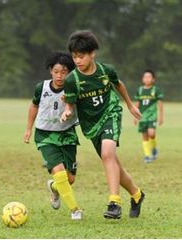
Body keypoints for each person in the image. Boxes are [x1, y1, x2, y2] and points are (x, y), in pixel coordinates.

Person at [61, 30, 145, 219]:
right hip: (91, 124)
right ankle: (137, 195)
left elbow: (119, 84)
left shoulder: (106, 70)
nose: (77, 61)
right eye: (74, 57)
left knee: (108, 154)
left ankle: (114, 202)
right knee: (113, 163)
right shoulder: (72, 80)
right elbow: (70, 101)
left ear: (92, 54)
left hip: (110, 113)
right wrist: (67, 110)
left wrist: (130, 105)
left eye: (81, 56)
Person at [24, 52, 82, 220]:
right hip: (45, 134)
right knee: (59, 172)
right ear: (50, 71)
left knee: (69, 179)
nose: (59, 75)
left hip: (68, 134)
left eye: (64, 72)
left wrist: (69, 110)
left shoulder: (74, 88)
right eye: (56, 71)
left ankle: (55, 188)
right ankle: (75, 209)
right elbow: (33, 107)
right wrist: (28, 129)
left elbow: (79, 108)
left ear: (69, 73)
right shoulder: (40, 87)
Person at [134, 69, 164, 163]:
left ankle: (154, 148)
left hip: (152, 116)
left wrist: (161, 116)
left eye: (149, 77)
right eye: (145, 77)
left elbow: (160, 104)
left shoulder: (156, 90)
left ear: (153, 79)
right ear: (142, 79)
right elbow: (137, 104)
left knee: (152, 133)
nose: (147, 79)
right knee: (145, 136)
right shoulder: (139, 90)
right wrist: (135, 116)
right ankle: (147, 156)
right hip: (142, 117)